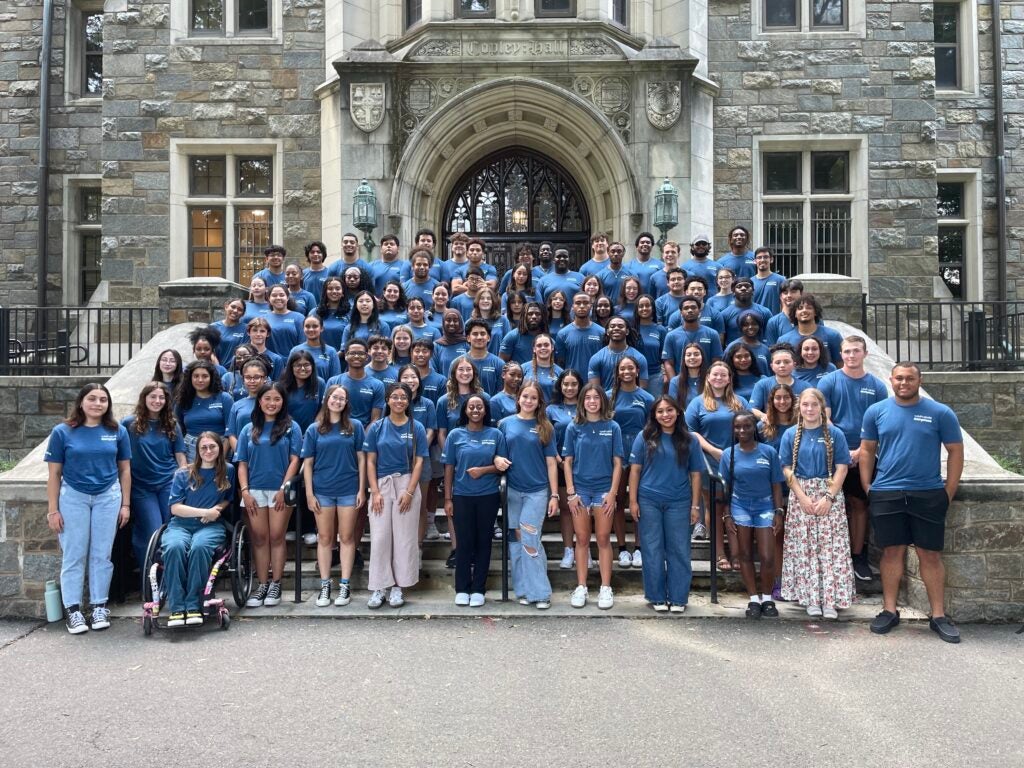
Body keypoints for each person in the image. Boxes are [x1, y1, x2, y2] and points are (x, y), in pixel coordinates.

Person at [859, 362, 964, 643]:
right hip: (887, 493)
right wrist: (868, 487)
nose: (904, 383)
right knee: (892, 552)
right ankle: (889, 611)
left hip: (928, 494)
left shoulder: (940, 413)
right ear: (891, 380)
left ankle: (938, 615)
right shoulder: (876, 411)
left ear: (920, 380)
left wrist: (947, 492)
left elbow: (955, 451)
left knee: (930, 555)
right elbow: (867, 450)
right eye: (899, 378)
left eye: (910, 378)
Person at [45, 383, 132, 634]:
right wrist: (53, 510)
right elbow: (54, 474)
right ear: (81, 402)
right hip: (74, 497)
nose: (97, 403)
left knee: (102, 554)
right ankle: (73, 610)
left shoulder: (117, 431)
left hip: (108, 496)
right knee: (74, 554)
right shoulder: (63, 432)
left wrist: (125, 504)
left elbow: (125, 470)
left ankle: (98, 606)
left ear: (108, 404)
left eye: (103, 399)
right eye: (92, 399)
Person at [780, 389, 854, 620]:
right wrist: (801, 496)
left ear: (821, 407)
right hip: (801, 493)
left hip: (828, 493)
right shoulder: (790, 435)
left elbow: (842, 467)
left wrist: (829, 497)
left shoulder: (835, 434)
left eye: (814, 405)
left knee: (831, 548)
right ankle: (810, 597)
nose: (809, 409)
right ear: (799, 407)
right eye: (805, 405)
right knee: (806, 548)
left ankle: (831, 600)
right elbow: (786, 468)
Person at [819, 335, 888, 583]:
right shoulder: (829, 382)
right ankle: (829, 557)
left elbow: (882, 424)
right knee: (830, 504)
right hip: (833, 453)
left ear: (865, 354)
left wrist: (861, 451)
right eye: (847, 351)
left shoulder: (877, 386)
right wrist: (842, 451)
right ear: (841, 354)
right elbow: (824, 420)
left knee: (860, 505)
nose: (851, 356)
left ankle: (858, 556)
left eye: (856, 351)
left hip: (865, 454)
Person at [629, 395, 704, 612]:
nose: (665, 415)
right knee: (652, 549)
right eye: (660, 411)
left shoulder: (690, 440)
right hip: (649, 499)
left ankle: (679, 597)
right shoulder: (644, 437)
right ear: (654, 415)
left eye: (669, 410)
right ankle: (656, 596)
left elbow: (696, 474)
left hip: (679, 502)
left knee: (679, 549)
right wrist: (633, 501)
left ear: (678, 412)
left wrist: (695, 506)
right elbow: (635, 470)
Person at [235, 382, 303, 609]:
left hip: (279, 491)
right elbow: (242, 463)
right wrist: (245, 491)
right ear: (259, 401)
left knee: (276, 536)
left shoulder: (292, 427)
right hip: (254, 490)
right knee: (259, 538)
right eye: (267, 399)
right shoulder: (248, 429)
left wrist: (285, 489)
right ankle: (262, 584)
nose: (272, 403)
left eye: (276, 399)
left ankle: (276, 583)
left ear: (283, 402)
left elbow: (295, 460)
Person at [363, 383, 429, 608]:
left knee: (404, 539)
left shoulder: (416, 426)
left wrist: (410, 491)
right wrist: (375, 491)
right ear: (387, 400)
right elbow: (370, 461)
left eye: (403, 397)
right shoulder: (377, 427)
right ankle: (379, 586)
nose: (399, 401)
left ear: (409, 401)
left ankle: (398, 587)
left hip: (406, 482)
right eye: (395, 397)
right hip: (381, 484)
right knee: (380, 538)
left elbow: (420, 461)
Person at [301, 384, 366, 608]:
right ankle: (325, 585)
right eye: (334, 397)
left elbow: (362, 459)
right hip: (323, 490)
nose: (337, 401)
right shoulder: (314, 429)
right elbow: (307, 463)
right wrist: (309, 493)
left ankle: (345, 585)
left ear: (346, 403)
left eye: (342, 398)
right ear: (327, 399)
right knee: (325, 538)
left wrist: (361, 488)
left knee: (347, 538)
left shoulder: (355, 426)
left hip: (348, 489)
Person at [162, 432, 235, 627]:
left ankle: (193, 604)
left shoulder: (228, 470)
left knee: (199, 547)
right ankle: (177, 606)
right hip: (181, 524)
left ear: (220, 448)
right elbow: (175, 508)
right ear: (197, 450)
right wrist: (205, 511)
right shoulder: (183, 474)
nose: (208, 451)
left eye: (212, 446)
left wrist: (217, 510)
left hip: (210, 526)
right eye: (204, 447)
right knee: (174, 547)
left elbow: (228, 498)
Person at [498, 382, 559, 609]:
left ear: (539, 402)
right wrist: (496, 459)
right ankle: (523, 589)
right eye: (525, 396)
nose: (528, 401)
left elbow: (551, 462)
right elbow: (499, 454)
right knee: (516, 540)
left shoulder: (545, 427)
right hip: (513, 490)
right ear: (519, 398)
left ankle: (541, 593)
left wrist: (555, 495)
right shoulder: (505, 424)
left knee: (530, 540)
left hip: (537, 491)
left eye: (533, 398)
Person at [562, 383, 624, 610]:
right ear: (582, 402)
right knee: (581, 538)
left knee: (604, 537)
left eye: (596, 398)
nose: (592, 401)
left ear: (602, 401)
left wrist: (613, 493)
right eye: (587, 398)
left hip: (603, 489)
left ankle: (605, 587)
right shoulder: (574, 427)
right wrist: (570, 492)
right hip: (580, 490)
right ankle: (581, 586)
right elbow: (567, 462)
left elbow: (618, 463)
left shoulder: (613, 427)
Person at [442, 395, 507, 607]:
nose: (476, 410)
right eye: (472, 406)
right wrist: (448, 498)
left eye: (480, 406)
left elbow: (503, 465)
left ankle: (479, 588)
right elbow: (449, 467)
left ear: (485, 410)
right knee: (464, 543)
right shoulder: (455, 435)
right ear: (466, 410)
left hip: (488, 496)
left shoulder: (495, 434)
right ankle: (462, 587)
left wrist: (484, 470)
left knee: (483, 542)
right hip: (462, 496)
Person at [685, 361, 750, 571]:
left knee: (733, 507)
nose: (719, 378)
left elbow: (749, 427)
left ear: (729, 379)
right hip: (708, 461)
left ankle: (737, 553)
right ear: (708, 377)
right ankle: (719, 553)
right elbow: (690, 431)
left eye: (724, 375)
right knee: (714, 507)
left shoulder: (739, 402)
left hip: (737, 460)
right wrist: (713, 451)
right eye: (715, 375)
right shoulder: (698, 403)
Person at [720, 411, 785, 619]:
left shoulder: (768, 452)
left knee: (767, 556)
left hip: (765, 506)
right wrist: (727, 514)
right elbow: (725, 488)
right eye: (738, 427)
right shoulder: (728, 454)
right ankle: (753, 600)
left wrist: (778, 511)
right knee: (745, 554)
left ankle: (767, 598)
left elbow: (776, 484)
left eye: (746, 426)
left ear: (754, 427)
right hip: (740, 506)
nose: (742, 430)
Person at [123, 383, 187, 580]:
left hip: (168, 483)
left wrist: (182, 482)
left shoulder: (171, 424)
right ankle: (150, 579)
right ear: (144, 398)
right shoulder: (128, 424)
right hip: (142, 487)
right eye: (153, 397)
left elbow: (180, 457)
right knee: (151, 530)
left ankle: (171, 578)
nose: (157, 401)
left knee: (169, 530)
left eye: (161, 398)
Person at [606, 355, 654, 569]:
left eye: (630, 368)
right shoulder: (608, 396)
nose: (626, 372)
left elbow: (653, 428)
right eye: (622, 369)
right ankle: (623, 548)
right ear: (617, 372)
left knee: (639, 501)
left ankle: (640, 548)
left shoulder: (646, 397)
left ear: (637, 371)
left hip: (640, 454)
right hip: (615, 454)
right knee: (617, 500)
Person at [547, 369, 585, 572]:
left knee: (586, 508)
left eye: (573, 384)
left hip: (586, 466)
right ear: (560, 387)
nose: (569, 388)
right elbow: (547, 439)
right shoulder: (552, 410)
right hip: (561, 465)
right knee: (567, 509)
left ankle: (583, 547)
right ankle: (569, 549)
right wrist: (561, 461)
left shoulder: (588, 406)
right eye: (566, 384)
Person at [174, 360, 234, 459]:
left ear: (211, 378)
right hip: (192, 448)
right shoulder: (182, 400)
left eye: (205, 376)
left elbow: (230, 431)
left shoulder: (224, 398)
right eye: (196, 376)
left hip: (220, 446)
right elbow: (178, 430)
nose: (200, 380)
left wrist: (222, 458)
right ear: (190, 378)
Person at [326, 338, 386, 426]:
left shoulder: (377, 385)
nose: (357, 356)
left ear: (366, 357)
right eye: (353, 353)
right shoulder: (333, 381)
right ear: (346, 356)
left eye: (361, 353)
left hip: (364, 434)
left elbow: (375, 419)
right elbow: (325, 412)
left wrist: (363, 438)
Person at [778, 294, 844, 366]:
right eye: (800, 308)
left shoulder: (833, 336)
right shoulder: (784, 340)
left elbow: (841, 365)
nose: (804, 311)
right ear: (795, 314)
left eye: (809, 308)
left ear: (815, 312)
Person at [748, 344, 810, 420]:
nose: (782, 365)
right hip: (771, 426)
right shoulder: (762, 384)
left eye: (787, 362)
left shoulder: (806, 386)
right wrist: (764, 417)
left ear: (794, 365)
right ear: (772, 366)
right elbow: (752, 408)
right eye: (778, 362)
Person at [587, 316, 649, 390]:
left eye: (620, 326)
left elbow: (642, 389)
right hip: (606, 400)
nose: (616, 328)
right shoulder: (596, 358)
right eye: (612, 326)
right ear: (607, 331)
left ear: (627, 331)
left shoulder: (639, 358)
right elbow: (595, 390)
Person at [226, 357, 271, 451]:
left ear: (265, 379)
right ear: (243, 379)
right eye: (248, 377)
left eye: (257, 377)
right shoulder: (236, 405)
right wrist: (241, 454)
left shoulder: (272, 403)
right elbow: (231, 435)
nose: (252, 381)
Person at [290, 313, 342, 382]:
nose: (311, 329)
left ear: (322, 328)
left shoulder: (331, 351)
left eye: (315, 326)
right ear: (303, 328)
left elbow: (335, 380)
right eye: (307, 326)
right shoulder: (295, 350)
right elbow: (289, 376)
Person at [520, 333, 562, 402]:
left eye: (546, 345)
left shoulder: (560, 372)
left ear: (552, 348)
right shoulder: (523, 368)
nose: (543, 348)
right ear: (534, 349)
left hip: (550, 411)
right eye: (539, 346)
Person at [668, 342, 709, 409]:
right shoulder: (675, 381)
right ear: (684, 359)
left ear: (702, 357)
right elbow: (673, 406)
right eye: (688, 355)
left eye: (696, 354)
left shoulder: (710, 379)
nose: (692, 357)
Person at [313, 276, 350, 350]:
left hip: (344, 358)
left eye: (338, 288)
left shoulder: (350, 312)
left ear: (343, 292)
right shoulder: (315, 312)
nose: (334, 291)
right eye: (330, 289)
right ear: (325, 292)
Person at [210, 298, 249, 364]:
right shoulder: (213, 327)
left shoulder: (247, 329)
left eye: (240, 309)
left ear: (243, 314)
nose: (235, 310)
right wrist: (219, 368)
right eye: (233, 307)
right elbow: (209, 351)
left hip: (238, 371)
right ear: (226, 306)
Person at [751, 246, 786, 315]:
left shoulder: (781, 280)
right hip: (755, 323)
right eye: (759, 257)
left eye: (766, 257)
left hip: (774, 323)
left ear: (771, 260)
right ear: (755, 261)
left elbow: (785, 304)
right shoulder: (750, 282)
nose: (762, 260)